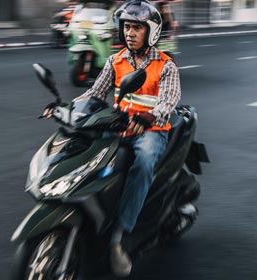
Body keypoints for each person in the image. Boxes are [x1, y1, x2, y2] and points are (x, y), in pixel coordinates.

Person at [43, 0, 181, 277]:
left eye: (136, 28)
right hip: (117, 127)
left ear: (151, 31)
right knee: (81, 146)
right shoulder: (115, 60)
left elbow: (169, 100)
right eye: (127, 27)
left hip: (149, 132)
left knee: (142, 163)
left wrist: (150, 117)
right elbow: (95, 93)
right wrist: (63, 108)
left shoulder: (165, 65)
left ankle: (120, 235)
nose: (130, 33)